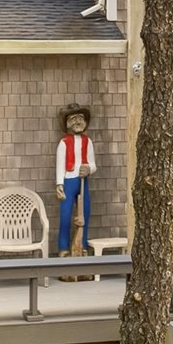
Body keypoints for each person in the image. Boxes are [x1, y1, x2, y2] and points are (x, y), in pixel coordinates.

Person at [54, 104, 96, 254]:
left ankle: (81, 245)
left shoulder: (87, 142)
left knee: (84, 214)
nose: (77, 122)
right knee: (65, 216)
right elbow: (60, 165)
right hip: (69, 181)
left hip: (83, 182)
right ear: (67, 123)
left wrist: (89, 169)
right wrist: (59, 184)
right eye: (73, 118)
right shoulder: (64, 143)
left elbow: (93, 164)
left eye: (80, 118)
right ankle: (63, 247)